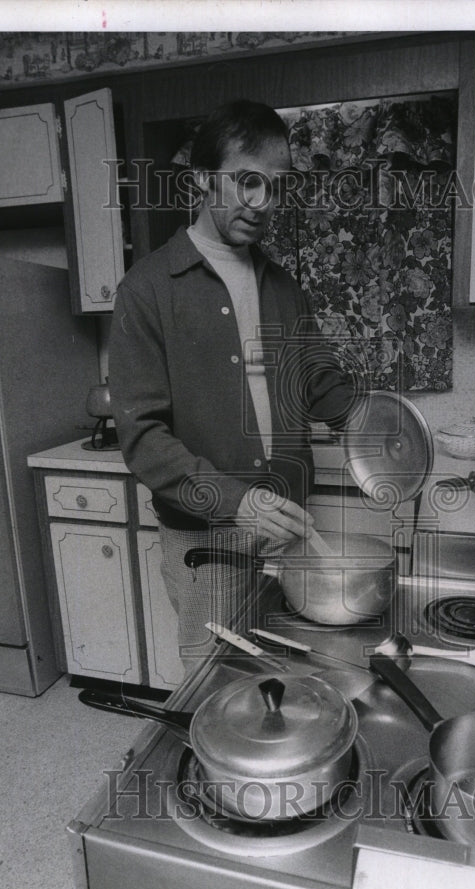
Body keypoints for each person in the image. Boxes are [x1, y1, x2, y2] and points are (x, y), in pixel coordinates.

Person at [108, 99, 360, 673]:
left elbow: (319, 380)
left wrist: (379, 427)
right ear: (201, 180)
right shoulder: (146, 289)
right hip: (208, 540)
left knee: (285, 676)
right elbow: (143, 438)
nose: (263, 204)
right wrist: (237, 502)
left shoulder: (283, 285)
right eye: (247, 182)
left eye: (275, 188)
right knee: (214, 682)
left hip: (287, 526)